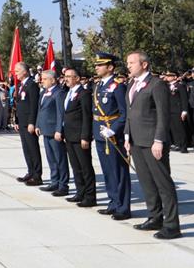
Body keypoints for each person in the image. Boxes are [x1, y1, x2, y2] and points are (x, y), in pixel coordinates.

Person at [124, 51, 180, 240]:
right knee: (146, 183)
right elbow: (130, 113)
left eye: (132, 62)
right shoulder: (131, 84)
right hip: (136, 141)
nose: (128, 66)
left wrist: (159, 140)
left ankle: (172, 225)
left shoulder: (157, 84)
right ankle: (155, 217)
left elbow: (164, 116)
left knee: (163, 183)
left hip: (152, 142)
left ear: (145, 64)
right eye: (128, 63)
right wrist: (126, 136)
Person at [92, 52, 131, 220]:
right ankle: (113, 202)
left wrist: (114, 129)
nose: (97, 67)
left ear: (110, 67)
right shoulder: (98, 85)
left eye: (100, 65)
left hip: (113, 135)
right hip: (101, 133)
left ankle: (123, 207)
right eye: (97, 65)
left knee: (119, 172)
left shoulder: (118, 86)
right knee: (108, 171)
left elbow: (124, 113)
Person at [61, 67, 96, 207]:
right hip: (69, 135)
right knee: (76, 167)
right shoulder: (68, 93)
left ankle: (90, 196)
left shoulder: (84, 93)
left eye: (69, 76)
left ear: (77, 78)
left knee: (85, 167)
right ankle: (80, 192)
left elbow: (87, 116)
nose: (66, 79)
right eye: (65, 76)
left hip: (80, 136)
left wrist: (85, 136)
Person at [36, 69, 68, 196]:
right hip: (45, 130)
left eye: (44, 79)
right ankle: (54, 181)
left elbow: (61, 113)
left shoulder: (59, 93)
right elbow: (40, 109)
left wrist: (59, 130)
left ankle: (63, 185)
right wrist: (38, 124)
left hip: (54, 131)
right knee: (51, 158)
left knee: (60, 158)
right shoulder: (44, 92)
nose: (41, 81)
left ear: (53, 80)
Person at [14, 62, 42, 186]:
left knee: (33, 149)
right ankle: (30, 172)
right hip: (22, 122)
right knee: (26, 149)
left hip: (29, 123)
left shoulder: (32, 85)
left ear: (24, 71)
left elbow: (34, 106)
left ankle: (37, 175)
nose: (15, 73)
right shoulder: (21, 85)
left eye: (17, 71)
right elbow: (19, 105)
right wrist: (16, 121)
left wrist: (32, 122)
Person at [163, 71, 189, 152]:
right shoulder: (166, 86)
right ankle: (178, 144)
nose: (168, 77)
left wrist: (184, 110)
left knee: (180, 129)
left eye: (170, 75)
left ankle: (184, 146)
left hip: (178, 110)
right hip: (170, 110)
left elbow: (184, 98)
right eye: (167, 75)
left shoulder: (180, 86)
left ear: (175, 77)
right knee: (173, 129)